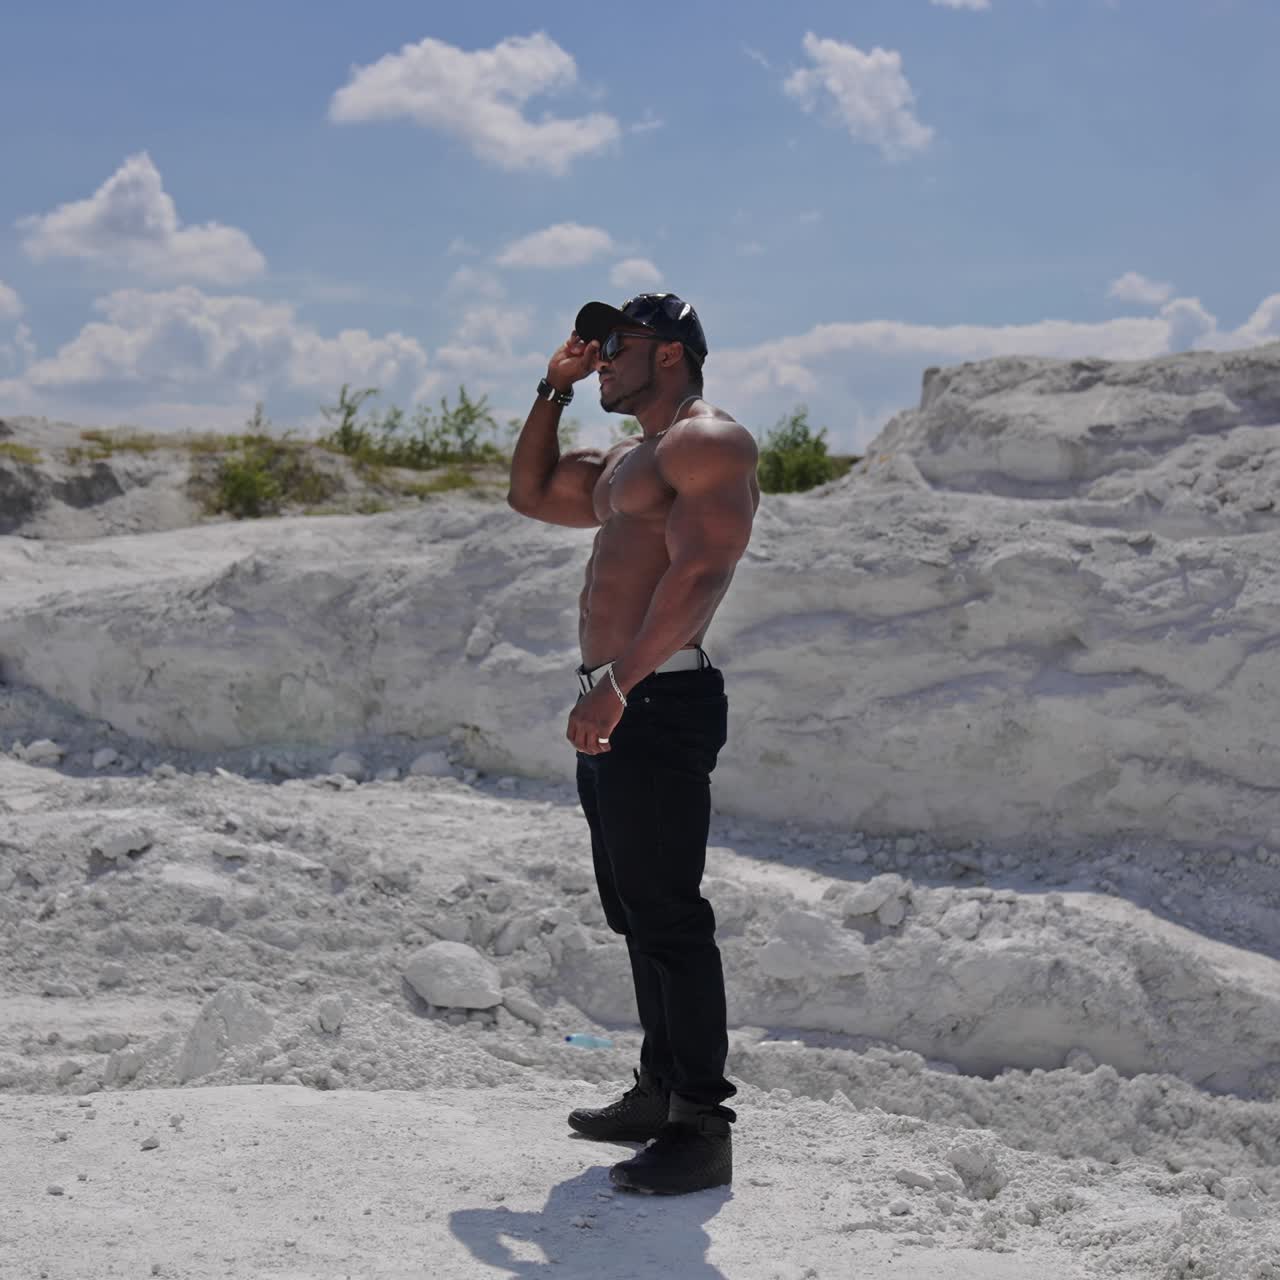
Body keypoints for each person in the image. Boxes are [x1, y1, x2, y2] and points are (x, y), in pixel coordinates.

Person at [507, 293, 759, 1196]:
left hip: (657, 698)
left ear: (674, 354)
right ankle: (658, 1093)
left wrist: (620, 685)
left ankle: (701, 1124)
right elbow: (530, 494)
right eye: (597, 345)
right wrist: (553, 387)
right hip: (618, 704)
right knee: (635, 912)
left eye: (619, 345)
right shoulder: (627, 461)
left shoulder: (708, 442)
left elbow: (701, 573)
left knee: (670, 916)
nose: (603, 355)